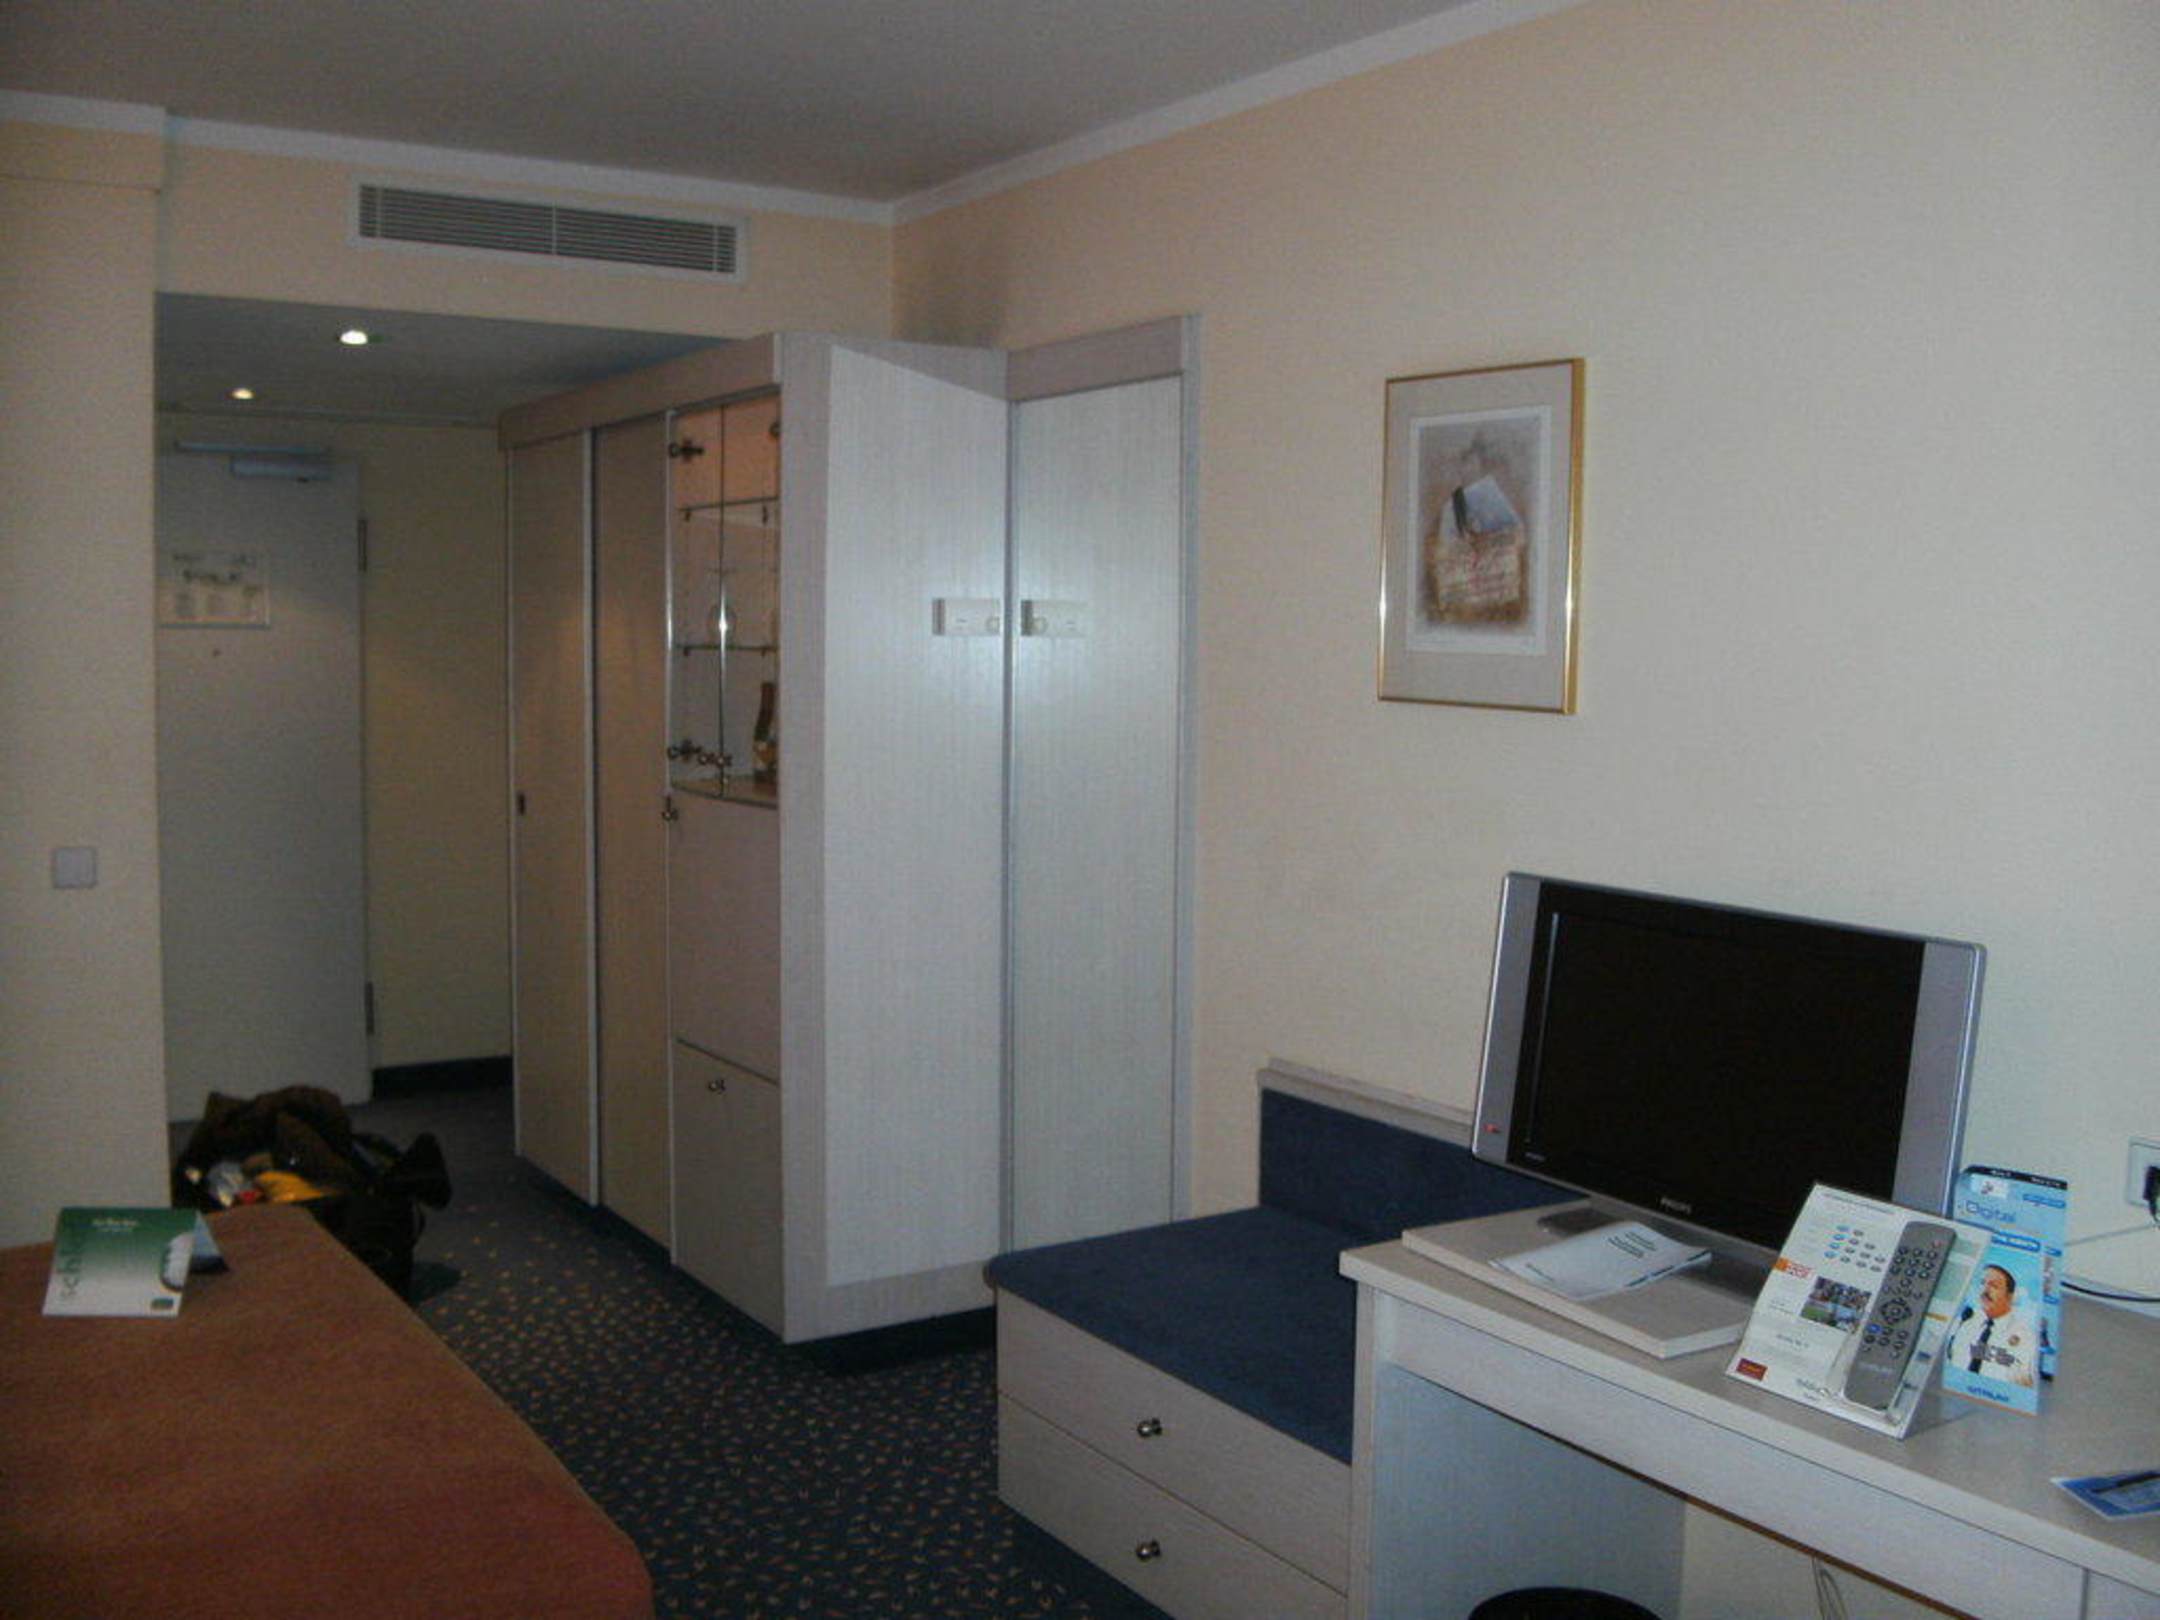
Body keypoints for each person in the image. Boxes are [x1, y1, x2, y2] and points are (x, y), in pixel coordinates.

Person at [1944, 1263, 2039, 1388]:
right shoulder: (1964, 1321)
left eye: (1994, 1286)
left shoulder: (2026, 1337)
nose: (1985, 1290)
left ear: (2010, 1297)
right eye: (1982, 1283)